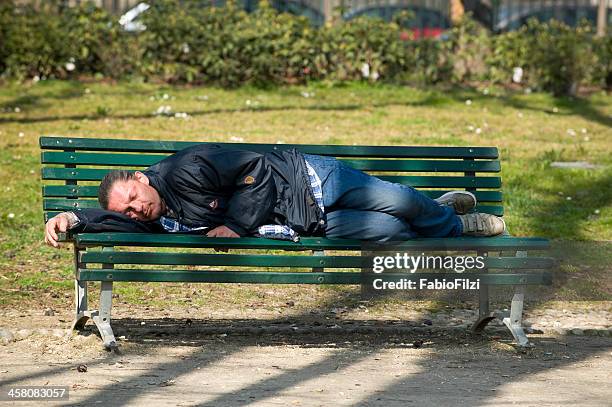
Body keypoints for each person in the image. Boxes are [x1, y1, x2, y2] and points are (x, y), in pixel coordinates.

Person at [44, 144, 505, 248]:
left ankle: (454, 222)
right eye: (128, 209)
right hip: (301, 222)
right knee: (389, 230)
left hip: (307, 180)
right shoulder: (153, 215)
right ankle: (438, 211)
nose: (134, 208)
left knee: (400, 202)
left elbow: (256, 167)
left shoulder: (185, 168)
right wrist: (72, 218)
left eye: (132, 196)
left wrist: (240, 224)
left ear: (142, 179)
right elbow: (113, 220)